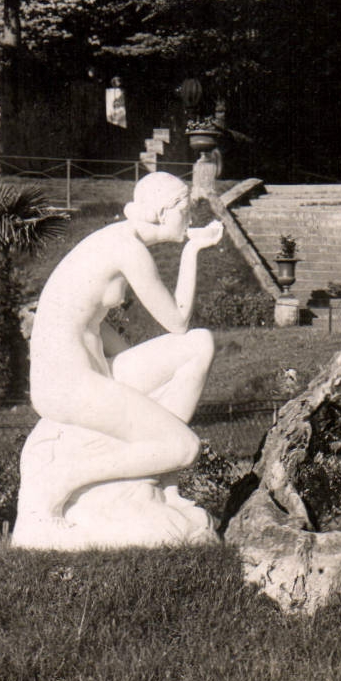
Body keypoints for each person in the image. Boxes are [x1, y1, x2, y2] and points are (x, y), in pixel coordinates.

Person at [19, 171, 225, 529]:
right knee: (184, 448)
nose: (191, 219)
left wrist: (137, 372)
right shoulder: (127, 249)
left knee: (198, 345)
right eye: (187, 210)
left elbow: (92, 319)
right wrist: (192, 251)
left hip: (91, 372)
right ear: (163, 212)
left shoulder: (117, 239)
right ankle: (64, 480)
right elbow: (177, 320)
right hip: (65, 384)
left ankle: (152, 480)